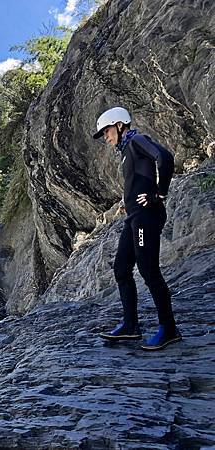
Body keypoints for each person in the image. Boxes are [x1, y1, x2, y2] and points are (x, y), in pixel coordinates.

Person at [93, 107, 181, 351]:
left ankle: (169, 329)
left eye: (107, 131)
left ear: (120, 125)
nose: (106, 137)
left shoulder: (137, 140)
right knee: (122, 268)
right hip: (134, 217)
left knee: (148, 270)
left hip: (147, 216)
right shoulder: (126, 150)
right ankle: (131, 326)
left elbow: (165, 157)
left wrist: (159, 194)